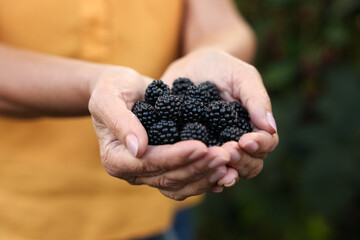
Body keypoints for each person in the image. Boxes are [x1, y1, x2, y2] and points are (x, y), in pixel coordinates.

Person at [0, 0, 279, 239]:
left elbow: (224, 25)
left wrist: (212, 53)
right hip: (20, 215)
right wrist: (93, 84)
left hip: (159, 213)